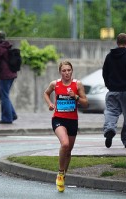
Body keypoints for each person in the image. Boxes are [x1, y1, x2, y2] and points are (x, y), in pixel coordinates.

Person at [43, 61, 88, 192]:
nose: (67, 73)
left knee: (68, 151)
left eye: (69, 70)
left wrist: (76, 97)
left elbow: (86, 103)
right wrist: (50, 104)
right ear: (60, 72)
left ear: (72, 71)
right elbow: (46, 93)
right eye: (64, 70)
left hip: (72, 121)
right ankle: (60, 172)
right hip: (58, 119)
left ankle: (62, 175)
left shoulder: (77, 84)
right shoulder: (55, 84)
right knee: (65, 144)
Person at [0, 30, 17, 124]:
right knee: (5, 95)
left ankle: (7, 118)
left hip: (5, 75)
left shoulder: (0, 48)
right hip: (12, 74)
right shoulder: (7, 46)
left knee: (4, 96)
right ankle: (12, 114)